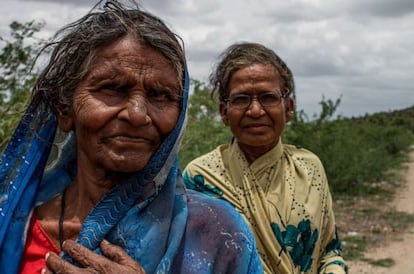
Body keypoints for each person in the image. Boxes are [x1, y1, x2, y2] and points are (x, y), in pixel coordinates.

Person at [0, 2, 264, 273]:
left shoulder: (217, 234)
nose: (138, 115)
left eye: (160, 95)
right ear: (65, 109)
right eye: (112, 88)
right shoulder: (11, 224)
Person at [183, 42, 348, 274]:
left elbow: (330, 251)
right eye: (241, 99)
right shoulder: (201, 177)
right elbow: (195, 263)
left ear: (288, 108)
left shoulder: (309, 168)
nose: (255, 111)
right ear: (224, 112)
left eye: (268, 97)